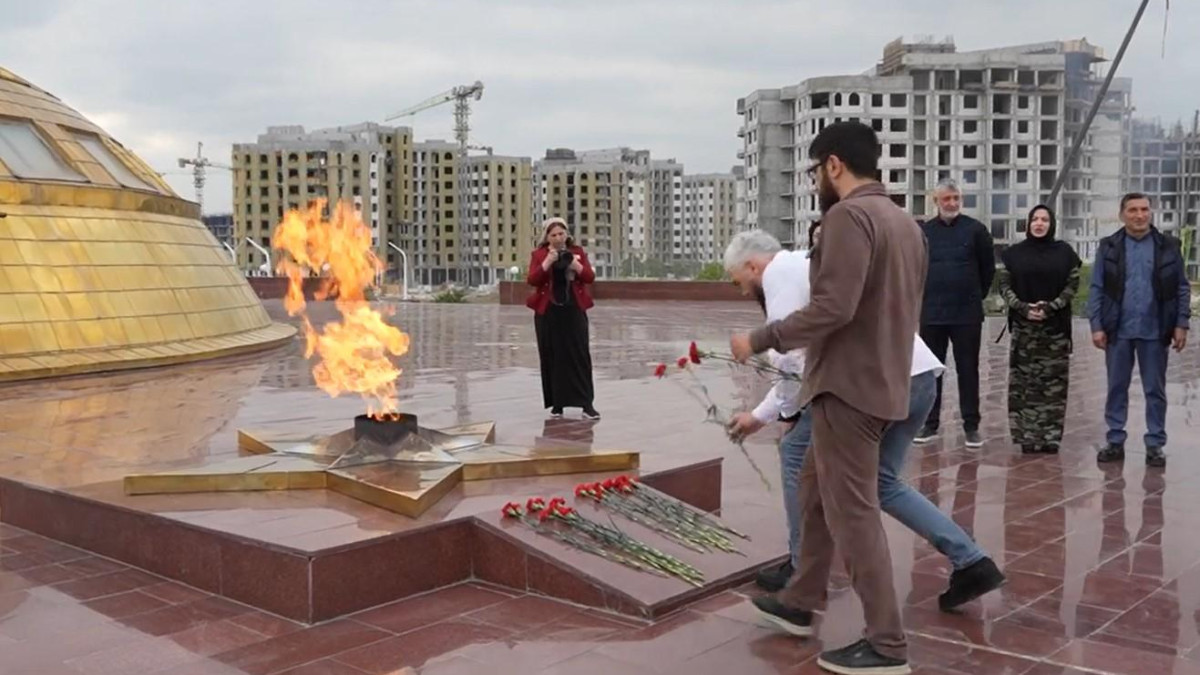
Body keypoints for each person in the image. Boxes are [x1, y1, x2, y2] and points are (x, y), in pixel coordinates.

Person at [730, 121, 926, 675]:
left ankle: (887, 644)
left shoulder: (846, 217)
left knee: (853, 514)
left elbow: (833, 308)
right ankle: (800, 600)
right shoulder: (903, 222)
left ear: (834, 164)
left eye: (816, 169)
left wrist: (759, 339)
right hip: (882, 380)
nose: (817, 179)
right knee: (815, 492)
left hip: (848, 387)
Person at [726, 223, 1005, 608]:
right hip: (918, 376)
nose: (743, 291)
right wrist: (762, 415)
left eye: (738, 281)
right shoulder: (805, 266)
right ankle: (971, 561)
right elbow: (807, 360)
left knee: (795, 453)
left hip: (875, 384)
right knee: (882, 482)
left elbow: (790, 354)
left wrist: (782, 412)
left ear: (753, 266)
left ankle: (801, 572)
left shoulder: (779, 273)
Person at [1087, 193, 1189, 468]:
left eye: (1144, 209)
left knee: (1155, 389)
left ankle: (1155, 443)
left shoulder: (1168, 246)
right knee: (1116, 387)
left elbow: (1181, 287)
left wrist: (1181, 323)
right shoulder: (1109, 247)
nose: (1140, 215)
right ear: (1122, 215)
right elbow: (1097, 287)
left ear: (1150, 213)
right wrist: (1096, 325)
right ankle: (1115, 439)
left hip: (1155, 329)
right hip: (1117, 329)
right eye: (1133, 210)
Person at [915, 178, 995, 448]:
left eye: (956, 198)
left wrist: (973, 295)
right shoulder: (924, 232)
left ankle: (971, 426)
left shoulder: (976, 231)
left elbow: (987, 270)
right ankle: (929, 424)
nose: (951, 203)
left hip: (966, 314)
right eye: (946, 199)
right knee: (931, 372)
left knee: (968, 370)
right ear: (935, 201)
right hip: (932, 313)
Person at [998, 205, 1081, 455]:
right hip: (1024, 330)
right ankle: (1026, 435)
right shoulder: (1014, 254)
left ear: (1051, 224)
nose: (1039, 223)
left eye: (1044, 219)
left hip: (1055, 330)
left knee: (1053, 385)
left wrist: (1050, 307)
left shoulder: (1065, 253)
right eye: (1035, 219)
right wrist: (1023, 308)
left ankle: (1050, 437)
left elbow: (1072, 285)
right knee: (1024, 384)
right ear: (1028, 223)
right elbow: (1004, 286)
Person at [525, 218, 600, 420]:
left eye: (561, 234)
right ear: (547, 237)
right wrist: (547, 261)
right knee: (553, 355)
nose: (558, 238)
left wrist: (575, 264)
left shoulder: (577, 251)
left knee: (579, 355)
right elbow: (532, 279)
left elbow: (589, 277)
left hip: (573, 309)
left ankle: (586, 404)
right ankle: (557, 404)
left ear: (567, 234)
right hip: (548, 311)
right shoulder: (539, 254)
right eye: (554, 235)